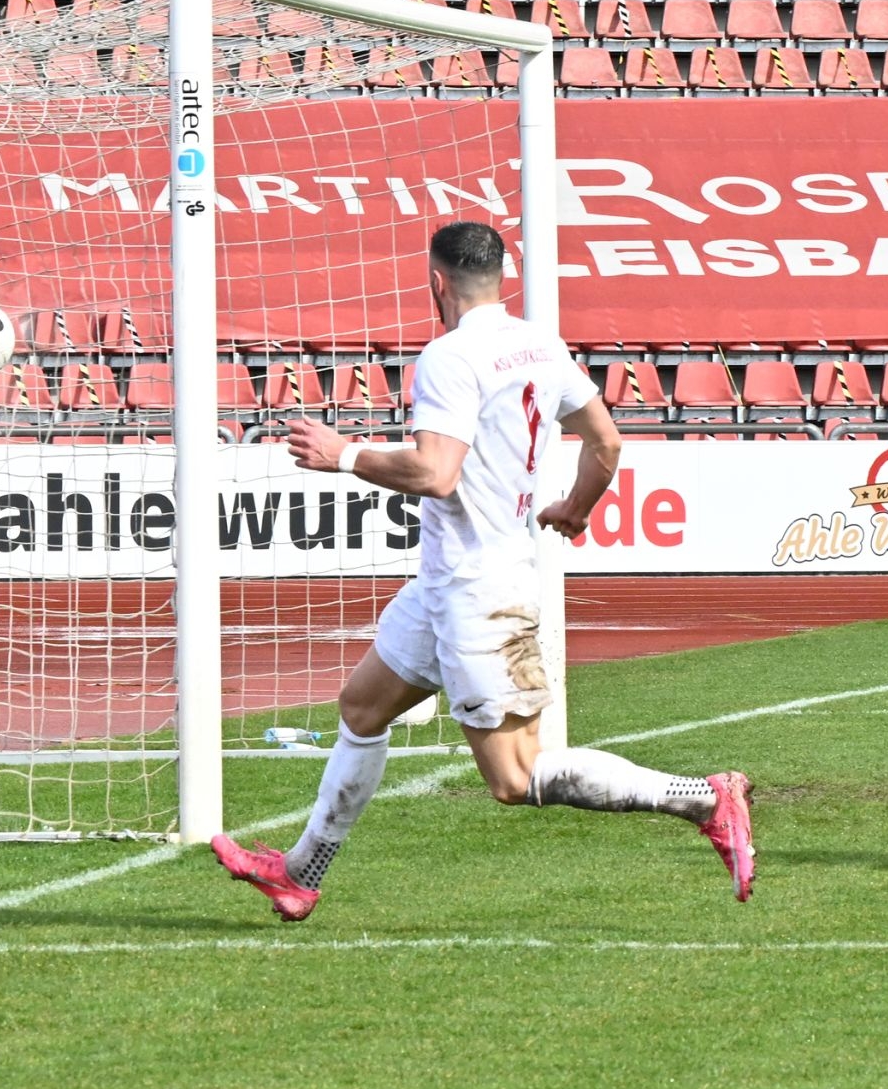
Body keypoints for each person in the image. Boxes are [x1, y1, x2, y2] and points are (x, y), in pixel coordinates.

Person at [212, 221, 755, 920]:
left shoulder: (447, 357)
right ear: (504, 276)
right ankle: (300, 872)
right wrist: (576, 508)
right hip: (448, 580)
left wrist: (343, 454)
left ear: (436, 281)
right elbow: (606, 440)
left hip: (481, 590)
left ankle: (706, 797)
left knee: (514, 777)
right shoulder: (538, 343)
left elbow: (436, 474)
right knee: (362, 708)